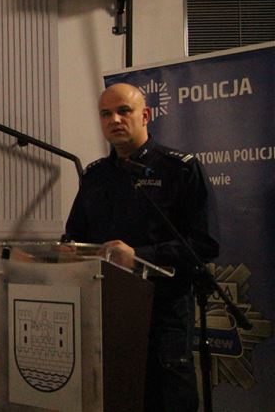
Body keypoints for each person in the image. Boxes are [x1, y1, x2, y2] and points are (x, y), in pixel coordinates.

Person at [66, 83, 219, 412]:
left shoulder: (179, 169)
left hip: (162, 311)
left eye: (124, 111)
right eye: (106, 114)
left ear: (145, 115)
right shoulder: (95, 176)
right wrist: (67, 254)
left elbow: (204, 244)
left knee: (167, 400)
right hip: (106, 311)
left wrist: (140, 257)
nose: (114, 120)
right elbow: (73, 237)